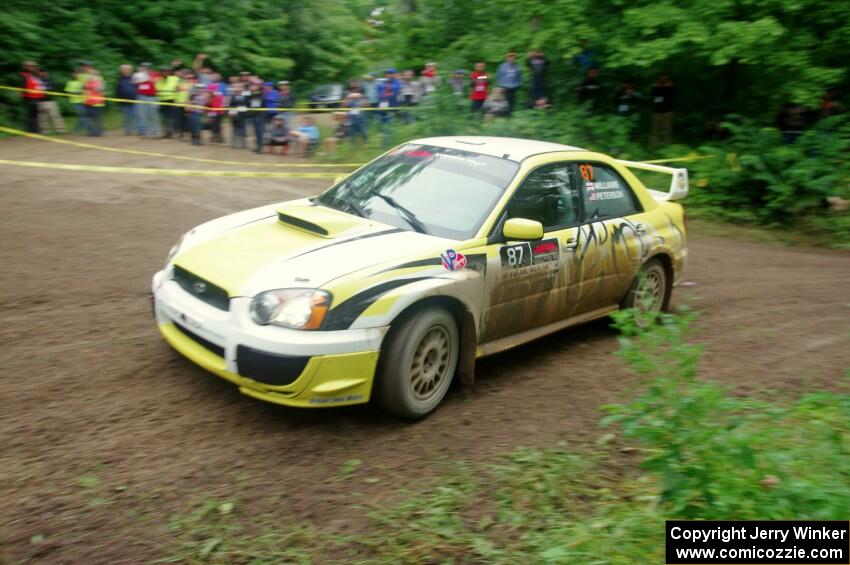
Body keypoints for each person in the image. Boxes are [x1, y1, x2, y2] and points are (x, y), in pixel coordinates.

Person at [133, 62, 160, 138]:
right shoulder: (138, 75)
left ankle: (156, 131)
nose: (145, 68)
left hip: (152, 97)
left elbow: (155, 82)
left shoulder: (155, 74)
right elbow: (135, 83)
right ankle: (148, 132)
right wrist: (141, 78)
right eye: (143, 67)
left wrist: (148, 77)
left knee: (153, 114)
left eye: (147, 67)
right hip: (141, 96)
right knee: (143, 115)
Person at [37, 69, 66, 134]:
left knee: (56, 116)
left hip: (51, 101)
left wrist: (46, 89)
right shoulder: (37, 81)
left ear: (47, 73)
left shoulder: (51, 81)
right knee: (42, 118)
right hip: (40, 101)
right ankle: (45, 131)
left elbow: (53, 89)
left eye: (45, 72)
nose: (43, 73)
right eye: (42, 72)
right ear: (39, 73)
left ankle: (60, 130)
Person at [650, 73, 676, 145]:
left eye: (665, 77)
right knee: (655, 128)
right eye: (661, 77)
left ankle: (667, 143)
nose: (663, 79)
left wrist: (665, 86)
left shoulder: (671, 85)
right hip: (657, 110)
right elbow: (652, 94)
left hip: (667, 110)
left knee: (667, 128)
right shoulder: (657, 84)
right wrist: (656, 86)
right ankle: (654, 143)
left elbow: (672, 93)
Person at [116, 64, 141, 136]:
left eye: (127, 69)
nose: (125, 71)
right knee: (126, 118)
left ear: (130, 70)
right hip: (124, 102)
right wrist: (119, 104)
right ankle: (127, 130)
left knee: (137, 116)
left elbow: (139, 88)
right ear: (121, 71)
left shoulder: (134, 78)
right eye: (124, 69)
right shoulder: (120, 80)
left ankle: (139, 130)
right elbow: (118, 92)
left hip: (134, 101)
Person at [20, 60, 44, 133]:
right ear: (25, 66)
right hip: (30, 97)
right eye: (30, 66)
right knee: (32, 114)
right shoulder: (24, 75)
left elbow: (39, 86)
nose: (32, 67)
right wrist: (22, 93)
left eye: (33, 66)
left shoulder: (37, 76)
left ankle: (35, 129)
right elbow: (22, 86)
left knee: (36, 114)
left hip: (38, 97)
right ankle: (32, 130)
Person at [155, 66, 179, 138]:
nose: (165, 73)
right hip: (162, 101)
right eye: (163, 71)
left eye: (166, 71)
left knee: (171, 116)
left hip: (171, 100)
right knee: (164, 117)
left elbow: (179, 88)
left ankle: (171, 131)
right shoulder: (158, 80)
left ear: (169, 72)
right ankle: (166, 131)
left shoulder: (174, 79)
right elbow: (156, 90)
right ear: (161, 72)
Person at [64, 65, 89, 134]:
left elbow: (86, 89)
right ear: (72, 74)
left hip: (84, 101)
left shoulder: (82, 81)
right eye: (75, 73)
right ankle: (87, 129)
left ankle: (77, 130)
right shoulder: (70, 82)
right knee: (82, 115)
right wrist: (78, 92)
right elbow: (68, 92)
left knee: (83, 116)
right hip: (75, 102)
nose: (76, 75)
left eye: (77, 73)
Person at [83, 69, 105, 136]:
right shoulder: (88, 82)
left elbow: (99, 90)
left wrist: (92, 85)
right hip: (88, 102)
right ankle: (92, 131)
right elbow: (84, 88)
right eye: (90, 74)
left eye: (92, 74)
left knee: (96, 118)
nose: (90, 76)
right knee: (90, 118)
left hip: (96, 102)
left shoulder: (99, 82)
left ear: (96, 75)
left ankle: (98, 131)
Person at [228, 81, 250, 149]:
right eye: (236, 87)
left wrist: (246, 112)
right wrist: (231, 114)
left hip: (243, 115)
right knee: (234, 130)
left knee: (243, 130)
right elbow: (231, 106)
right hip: (235, 115)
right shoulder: (233, 96)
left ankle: (243, 144)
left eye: (239, 87)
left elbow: (248, 105)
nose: (238, 88)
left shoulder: (246, 96)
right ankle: (234, 144)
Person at [246, 80, 266, 153]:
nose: (252, 87)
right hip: (254, 115)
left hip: (258, 116)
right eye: (251, 86)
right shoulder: (252, 94)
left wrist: (249, 111)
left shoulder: (259, 94)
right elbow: (248, 103)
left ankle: (260, 148)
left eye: (254, 86)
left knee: (259, 132)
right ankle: (257, 147)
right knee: (256, 132)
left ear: (257, 86)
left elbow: (255, 106)